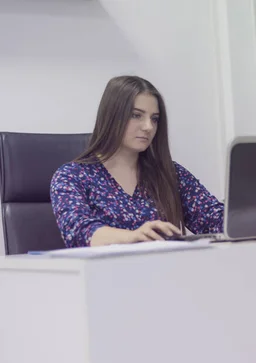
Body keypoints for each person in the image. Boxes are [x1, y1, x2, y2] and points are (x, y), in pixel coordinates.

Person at [50, 76, 224, 248]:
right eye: (136, 115)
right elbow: (79, 232)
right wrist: (133, 237)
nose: (148, 126)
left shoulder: (170, 173)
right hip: (107, 273)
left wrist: (244, 213)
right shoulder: (72, 176)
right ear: (112, 117)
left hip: (167, 271)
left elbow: (212, 218)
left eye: (154, 119)